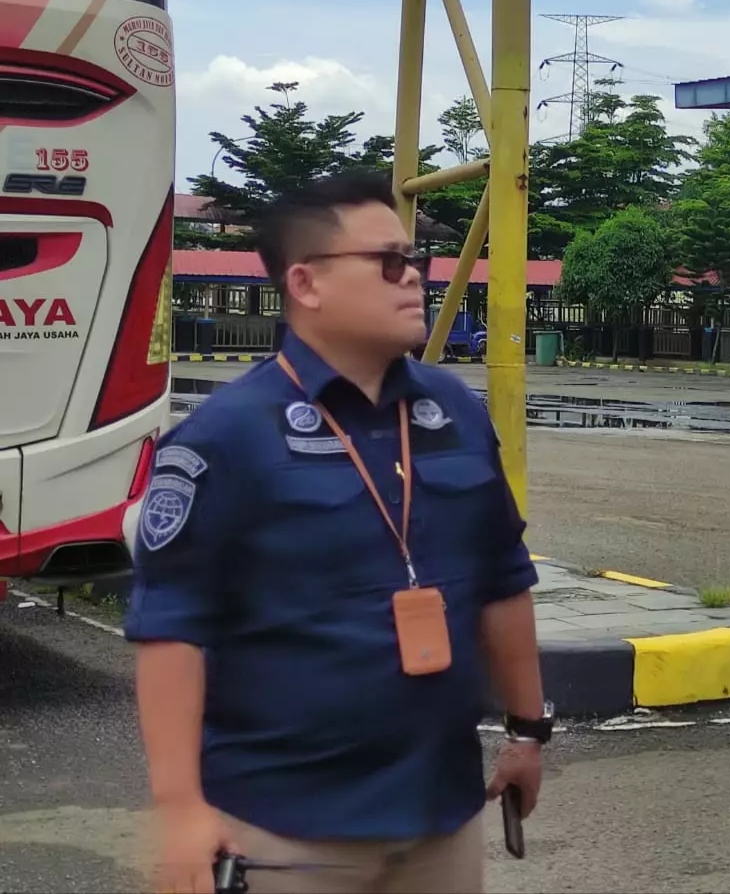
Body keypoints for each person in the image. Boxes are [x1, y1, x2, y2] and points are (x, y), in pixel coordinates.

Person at [125, 171, 551, 894]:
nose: (414, 277)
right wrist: (180, 809)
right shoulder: (225, 438)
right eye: (389, 262)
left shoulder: (455, 413)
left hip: (441, 813)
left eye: (416, 261)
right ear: (306, 283)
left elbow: (504, 579)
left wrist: (526, 731)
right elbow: (172, 629)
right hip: (285, 827)